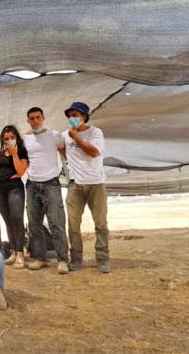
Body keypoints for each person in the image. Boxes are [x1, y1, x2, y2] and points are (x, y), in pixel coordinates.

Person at [62, 102, 110, 273]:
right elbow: (62, 150)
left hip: (96, 183)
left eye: (76, 115)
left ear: (84, 116)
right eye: (70, 115)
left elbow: (94, 152)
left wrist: (76, 138)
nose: (72, 118)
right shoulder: (64, 135)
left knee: (101, 223)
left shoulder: (95, 132)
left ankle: (103, 258)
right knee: (73, 224)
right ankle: (76, 258)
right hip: (75, 185)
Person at [23, 107, 69, 274]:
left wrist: (70, 176)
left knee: (56, 223)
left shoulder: (55, 136)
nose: (35, 121)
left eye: (38, 117)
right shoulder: (26, 139)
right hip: (32, 184)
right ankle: (39, 257)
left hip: (51, 183)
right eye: (32, 118)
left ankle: (63, 259)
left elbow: (65, 155)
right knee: (34, 224)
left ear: (43, 118)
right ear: (28, 121)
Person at [0, 125, 29, 269]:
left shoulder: (21, 151)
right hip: (1, 189)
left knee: (17, 218)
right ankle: (13, 251)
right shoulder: (0, 155)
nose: (9, 140)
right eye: (6, 138)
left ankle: (21, 253)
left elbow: (21, 171)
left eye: (12, 137)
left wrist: (14, 154)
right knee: (7, 220)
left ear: (17, 138)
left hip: (15, 187)